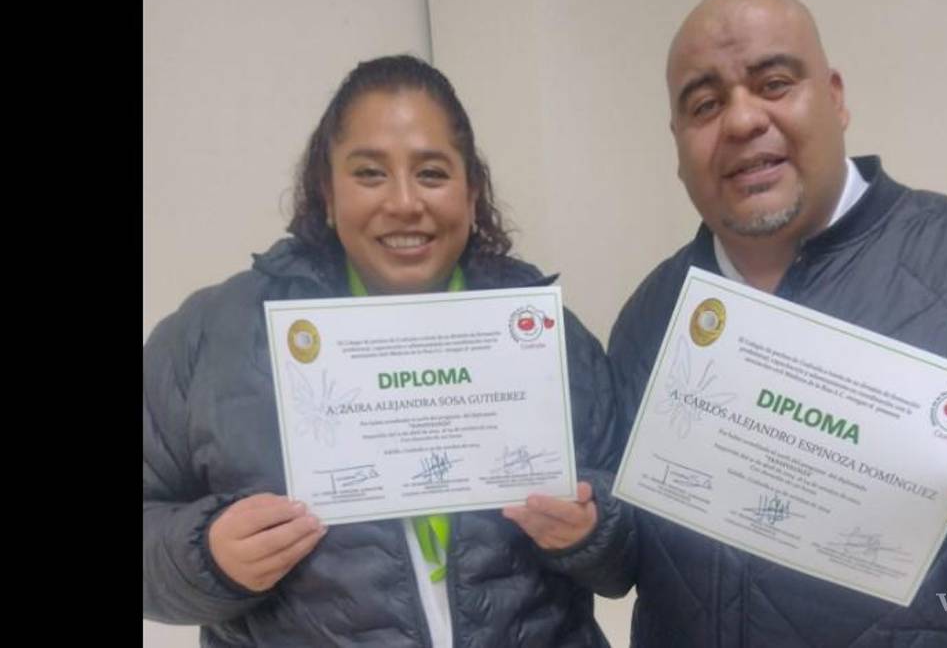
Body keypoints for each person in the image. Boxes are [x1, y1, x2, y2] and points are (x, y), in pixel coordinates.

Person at [607, 0, 947, 647]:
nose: (741, 120)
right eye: (705, 105)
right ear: (678, 143)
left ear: (834, 97)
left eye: (774, 83)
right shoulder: (650, 315)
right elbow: (625, 551)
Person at [143, 54, 633, 647]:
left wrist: (592, 530)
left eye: (431, 173)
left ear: (471, 193)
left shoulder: (548, 338)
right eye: (370, 173)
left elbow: (634, 550)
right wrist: (208, 557)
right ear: (327, 192)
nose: (403, 202)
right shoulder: (212, 336)